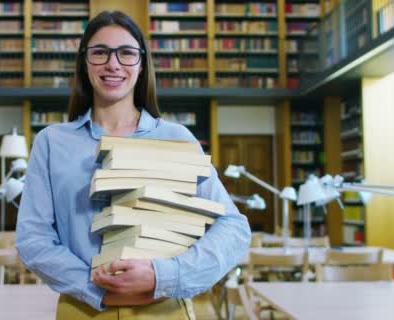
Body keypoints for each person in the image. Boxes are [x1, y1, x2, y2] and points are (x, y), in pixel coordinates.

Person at [15, 10, 251, 319]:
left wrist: (164, 276)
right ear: (85, 63)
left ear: (141, 64)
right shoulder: (51, 143)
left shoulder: (177, 138)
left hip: (165, 308)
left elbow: (233, 227)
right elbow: (33, 238)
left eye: (126, 53)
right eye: (100, 52)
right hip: (83, 309)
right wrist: (94, 288)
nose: (113, 64)